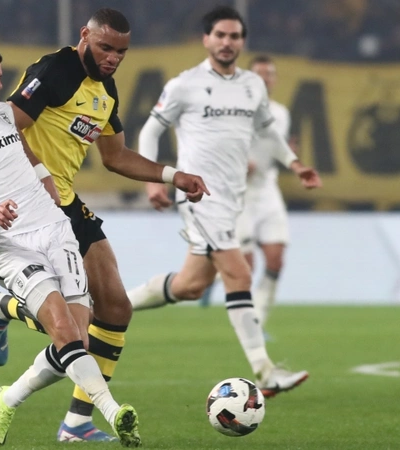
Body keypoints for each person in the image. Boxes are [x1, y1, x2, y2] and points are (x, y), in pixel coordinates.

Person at [0, 8, 207, 442]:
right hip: (27, 205)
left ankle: (77, 422)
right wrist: (40, 174)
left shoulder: (106, 90)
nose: (113, 58)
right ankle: (0, 307)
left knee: (115, 308)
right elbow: (5, 128)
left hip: (65, 202)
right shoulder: (55, 70)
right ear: (85, 35)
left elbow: (115, 157)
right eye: (105, 48)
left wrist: (173, 175)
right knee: (72, 334)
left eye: (121, 52)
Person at [0, 45, 142, 448]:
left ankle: (7, 398)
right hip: (11, 244)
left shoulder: (5, 115)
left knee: (77, 339)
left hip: (56, 230)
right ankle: (113, 413)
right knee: (64, 330)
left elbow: (22, 146)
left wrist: (43, 176)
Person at [127, 6, 322, 398]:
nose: (227, 42)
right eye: (220, 35)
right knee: (239, 274)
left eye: (234, 36)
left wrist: (295, 163)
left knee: (190, 286)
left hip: (232, 201)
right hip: (198, 197)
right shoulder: (185, 85)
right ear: (206, 39)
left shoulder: (252, 86)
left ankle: (108, 306)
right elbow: (150, 131)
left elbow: (269, 131)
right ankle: (265, 372)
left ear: (242, 42)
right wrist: (153, 181)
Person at [235, 54, 298, 329]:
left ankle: (259, 316)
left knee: (276, 259)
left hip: (267, 188)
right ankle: (245, 319)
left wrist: (289, 156)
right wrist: (239, 164)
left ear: (275, 79)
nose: (265, 79)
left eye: (269, 74)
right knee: (246, 266)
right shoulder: (233, 111)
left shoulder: (281, 114)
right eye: (259, 74)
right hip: (239, 192)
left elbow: (275, 151)